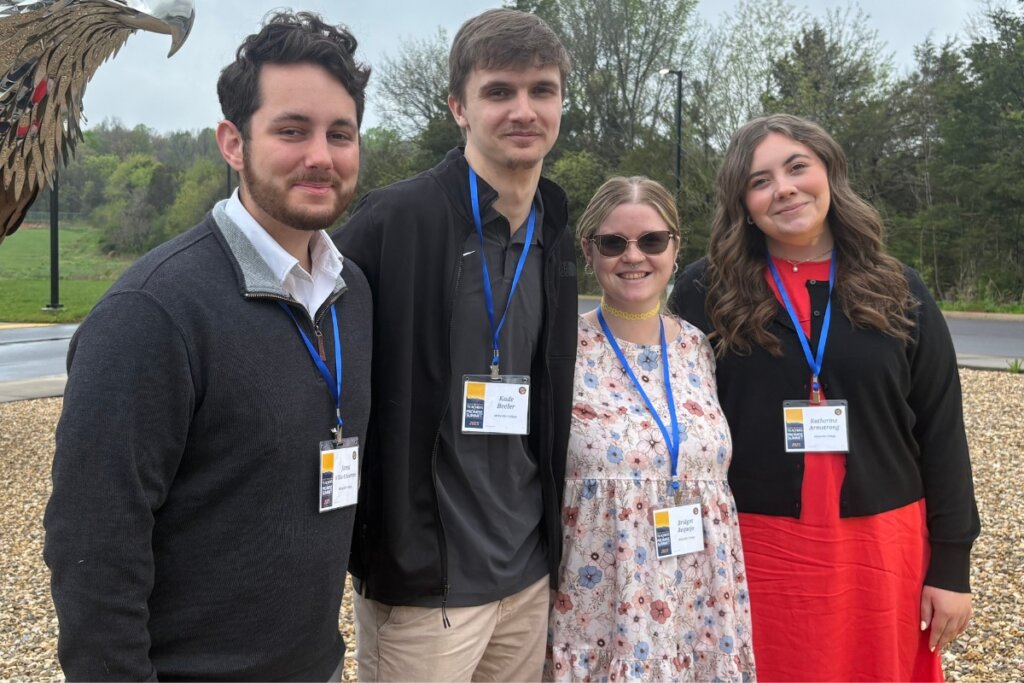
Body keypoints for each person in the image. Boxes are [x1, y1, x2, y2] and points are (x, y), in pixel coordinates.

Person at [43, 12, 371, 681]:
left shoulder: (350, 293)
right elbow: (93, 553)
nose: (320, 155)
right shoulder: (152, 313)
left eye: (340, 133)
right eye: (291, 130)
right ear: (232, 142)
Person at [669, 113, 979, 681]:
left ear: (829, 173)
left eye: (796, 168)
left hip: (882, 550)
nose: (783, 188)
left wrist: (953, 565)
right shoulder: (704, 290)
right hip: (753, 549)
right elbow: (673, 426)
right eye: (759, 181)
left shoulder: (899, 288)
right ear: (743, 202)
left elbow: (942, 430)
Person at [333, 8, 576, 681]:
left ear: (561, 102)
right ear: (458, 108)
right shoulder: (395, 221)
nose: (523, 109)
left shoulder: (555, 227)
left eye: (542, 90)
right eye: (499, 91)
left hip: (527, 575)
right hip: (425, 585)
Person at [545, 176, 756, 682]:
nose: (633, 256)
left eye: (652, 241)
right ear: (589, 250)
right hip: (602, 607)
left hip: (701, 605)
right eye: (614, 243)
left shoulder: (698, 349)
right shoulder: (560, 348)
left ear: (675, 247)